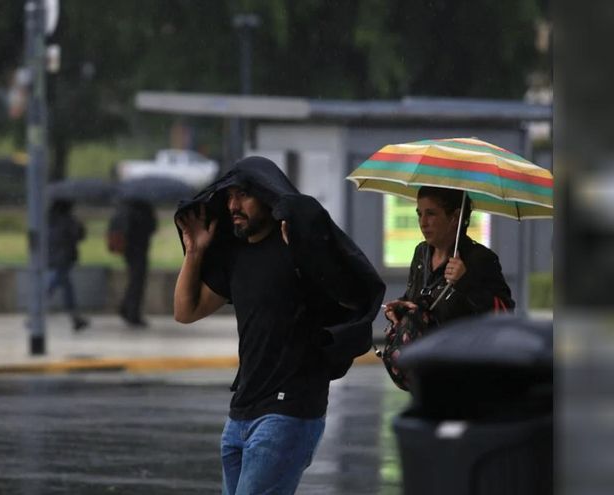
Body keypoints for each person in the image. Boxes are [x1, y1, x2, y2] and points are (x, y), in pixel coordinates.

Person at [173, 156, 385, 495]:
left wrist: (308, 252)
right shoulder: (236, 256)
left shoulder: (297, 247)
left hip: (289, 410)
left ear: (266, 195)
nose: (233, 205)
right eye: (229, 197)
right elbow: (186, 311)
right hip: (241, 413)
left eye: (243, 195)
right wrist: (194, 253)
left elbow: (350, 295)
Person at [383, 186, 514, 329]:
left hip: (458, 349)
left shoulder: (479, 258)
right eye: (419, 214)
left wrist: (465, 282)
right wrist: (400, 308)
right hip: (421, 349)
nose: (423, 223)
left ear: (455, 217)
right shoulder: (421, 252)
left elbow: (504, 314)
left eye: (431, 214)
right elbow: (415, 300)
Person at [108, 199, 157, 327]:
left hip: (129, 250)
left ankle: (126, 308)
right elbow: (152, 227)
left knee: (134, 280)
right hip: (139, 249)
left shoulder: (123, 208)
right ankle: (131, 313)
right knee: (137, 282)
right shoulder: (144, 210)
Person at [47, 200, 89, 331]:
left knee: (65, 286)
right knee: (56, 285)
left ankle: (75, 317)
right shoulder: (69, 220)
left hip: (52, 256)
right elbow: (79, 235)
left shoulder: (49, 219)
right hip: (65, 257)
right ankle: (35, 314)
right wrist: (80, 225)